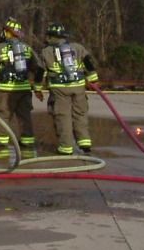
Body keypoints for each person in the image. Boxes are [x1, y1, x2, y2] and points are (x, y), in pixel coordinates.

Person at [39, 23, 99, 155]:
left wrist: (37, 89)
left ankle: (66, 147)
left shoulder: (46, 52)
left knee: (63, 116)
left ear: (51, 37)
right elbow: (89, 63)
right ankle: (85, 143)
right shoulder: (78, 48)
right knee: (80, 114)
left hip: (59, 89)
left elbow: (40, 72)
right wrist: (93, 80)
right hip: (78, 86)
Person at [0, 17, 44, 158]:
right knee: (25, 116)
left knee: (3, 115)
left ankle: (1, 142)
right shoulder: (27, 48)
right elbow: (39, 69)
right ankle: (27, 141)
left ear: (8, 33)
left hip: (4, 90)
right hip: (24, 90)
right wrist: (37, 88)